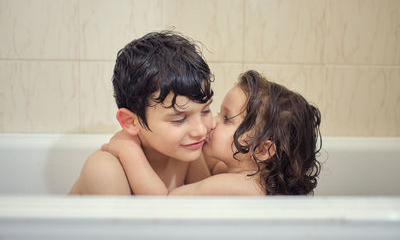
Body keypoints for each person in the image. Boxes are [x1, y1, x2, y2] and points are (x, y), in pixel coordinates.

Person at [102, 70, 322, 195]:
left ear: (263, 149)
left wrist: (130, 151)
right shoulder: (245, 176)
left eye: (226, 118)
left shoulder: (236, 187)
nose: (214, 122)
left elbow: (163, 207)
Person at [69, 31, 214, 195]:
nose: (201, 130)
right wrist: (130, 154)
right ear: (130, 121)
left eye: (205, 110)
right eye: (179, 119)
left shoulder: (184, 151)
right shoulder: (104, 168)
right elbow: (150, 218)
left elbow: (205, 208)